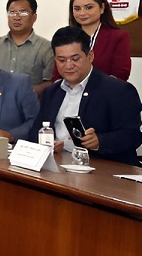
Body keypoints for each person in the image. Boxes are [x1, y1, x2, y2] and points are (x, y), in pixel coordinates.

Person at [32, 26, 142, 165]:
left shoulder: (118, 90)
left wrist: (99, 141)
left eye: (75, 59)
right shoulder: (52, 92)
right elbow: (35, 132)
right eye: (61, 60)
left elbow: (133, 136)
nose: (68, 66)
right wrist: (50, 143)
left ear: (90, 56)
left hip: (104, 170)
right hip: (59, 166)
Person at [63, 0, 130, 81]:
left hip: (105, 88)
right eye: (77, 9)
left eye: (89, 7)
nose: (82, 13)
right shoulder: (65, 37)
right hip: (70, 88)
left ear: (102, 8)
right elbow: (57, 73)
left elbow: (121, 74)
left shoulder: (118, 37)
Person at [0, 0, 53, 96]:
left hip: (30, 102)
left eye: (23, 12)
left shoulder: (47, 48)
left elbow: (51, 82)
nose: (17, 17)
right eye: (12, 12)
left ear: (34, 17)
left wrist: (23, 94)